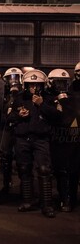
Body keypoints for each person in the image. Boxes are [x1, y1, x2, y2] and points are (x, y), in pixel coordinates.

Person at [7, 69, 60, 218]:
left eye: (37, 84)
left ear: (43, 85)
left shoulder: (49, 98)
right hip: (22, 138)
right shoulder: (18, 98)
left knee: (44, 170)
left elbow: (57, 117)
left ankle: (47, 204)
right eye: (31, 84)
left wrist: (42, 104)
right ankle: (27, 201)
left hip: (41, 138)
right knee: (24, 169)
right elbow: (9, 118)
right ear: (26, 85)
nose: (34, 88)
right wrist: (18, 115)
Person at [44, 68, 77, 212]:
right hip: (56, 138)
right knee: (60, 170)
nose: (61, 86)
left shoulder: (73, 96)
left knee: (74, 170)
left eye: (64, 83)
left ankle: (72, 198)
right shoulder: (46, 98)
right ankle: (64, 198)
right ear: (50, 83)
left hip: (72, 137)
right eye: (58, 83)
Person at [0, 67, 23, 196]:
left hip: (20, 129)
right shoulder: (2, 94)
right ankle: (6, 183)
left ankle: (24, 185)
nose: (13, 81)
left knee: (22, 158)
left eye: (16, 78)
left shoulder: (24, 94)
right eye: (10, 78)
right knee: (6, 157)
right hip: (7, 128)